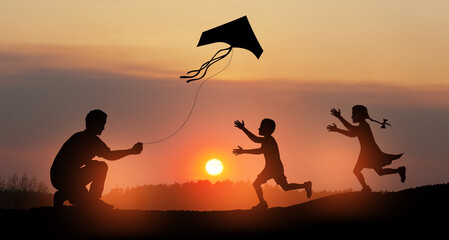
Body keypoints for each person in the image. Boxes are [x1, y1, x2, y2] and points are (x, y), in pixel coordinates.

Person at [50, 109, 143, 209]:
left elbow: (73, 158)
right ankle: (93, 199)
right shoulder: (92, 141)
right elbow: (110, 155)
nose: (103, 128)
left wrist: (88, 162)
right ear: (94, 123)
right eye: (102, 124)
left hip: (58, 178)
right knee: (101, 167)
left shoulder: (78, 136)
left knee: (84, 200)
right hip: (65, 178)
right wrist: (131, 151)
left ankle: (65, 195)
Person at [233, 119, 312, 210]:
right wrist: (244, 151)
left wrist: (243, 128)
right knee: (285, 187)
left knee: (257, 184)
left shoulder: (269, 140)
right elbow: (260, 151)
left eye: (261, 127)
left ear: (267, 129)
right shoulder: (267, 141)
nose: (259, 128)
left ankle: (262, 203)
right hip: (273, 168)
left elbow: (255, 139)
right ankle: (305, 185)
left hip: (273, 168)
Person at [327, 105, 406, 192]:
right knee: (379, 172)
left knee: (356, 170)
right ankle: (399, 170)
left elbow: (351, 129)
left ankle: (366, 187)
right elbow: (352, 134)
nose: (352, 116)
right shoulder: (362, 126)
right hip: (369, 152)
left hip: (369, 153)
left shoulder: (364, 126)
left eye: (353, 114)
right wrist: (337, 129)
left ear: (360, 115)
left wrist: (339, 117)